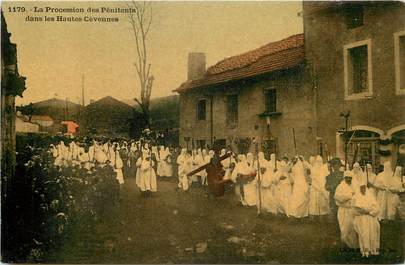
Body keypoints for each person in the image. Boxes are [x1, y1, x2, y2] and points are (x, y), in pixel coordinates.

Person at [352, 185, 380, 257]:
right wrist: (366, 210)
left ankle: (373, 251)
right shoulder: (356, 197)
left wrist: (370, 212)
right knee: (364, 234)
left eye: (364, 187)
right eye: (361, 187)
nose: (363, 189)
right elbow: (355, 209)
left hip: (371, 218)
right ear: (359, 188)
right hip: (362, 219)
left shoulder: (370, 196)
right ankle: (365, 252)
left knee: (373, 233)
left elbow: (376, 207)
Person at [334, 171, 358, 249]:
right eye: (347, 178)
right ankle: (344, 244)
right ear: (344, 178)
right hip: (343, 210)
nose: (349, 180)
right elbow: (337, 197)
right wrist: (349, 196)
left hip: (351, 210)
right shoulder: (340, 187)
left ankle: (352, 245)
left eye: (350, 178)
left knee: (352, 228)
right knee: (344, 228)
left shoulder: (353, 186)